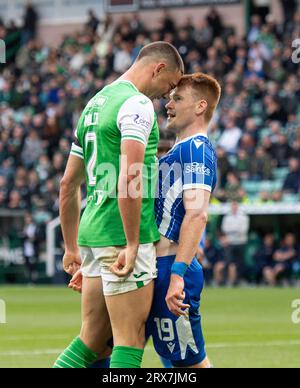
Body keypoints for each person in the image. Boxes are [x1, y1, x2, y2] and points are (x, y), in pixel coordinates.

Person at [53, 42, 184, 369]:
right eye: (168, 85)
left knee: (92, 340)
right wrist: (131, 242)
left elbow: (68, 184)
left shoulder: (94, 104)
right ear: (158, 68)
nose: (164, 96)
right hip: (121, 236)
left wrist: (70, 249)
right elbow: (130, 176)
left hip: (91, 236)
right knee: (130, 337)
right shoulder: (137, 105)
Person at [146, 73, 221, 368]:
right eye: (169, 98)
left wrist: (177, 274)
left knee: (189, 365)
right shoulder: (177, 151)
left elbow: (197, 212)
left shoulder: (197, 149)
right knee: (172, 361)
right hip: (156, 268)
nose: (168, 104)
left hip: (171, 269)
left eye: (177, 98)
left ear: (201, 106)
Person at [221, 202, 250, 285]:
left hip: (241, 242)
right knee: (229, 262)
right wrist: (236, 229)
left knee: (240, 263)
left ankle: (239, 279)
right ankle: (229, 280)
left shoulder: (243, 216)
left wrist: (232, 230)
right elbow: (225, 229)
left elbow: (243, 230)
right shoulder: (227, 216)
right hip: (230, 243)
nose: (234, 208)